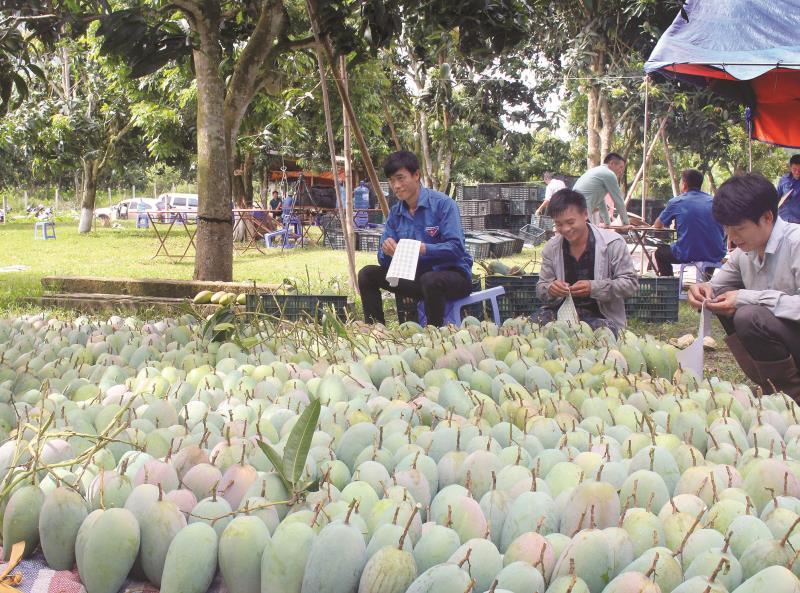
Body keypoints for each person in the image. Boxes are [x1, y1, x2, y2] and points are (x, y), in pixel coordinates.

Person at [688, 173, 800, 398]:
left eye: (738, 228)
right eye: (727, 228)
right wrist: (702, 290)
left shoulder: (796, 243)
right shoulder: (744, 252)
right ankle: (771, 385)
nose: (731, 236)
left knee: (748, 315)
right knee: (720, 299)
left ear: (767, 217)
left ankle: (792, 396)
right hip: (785, 341)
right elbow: (716, 286)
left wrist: (746, 298)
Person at [358, 151, 473, 327]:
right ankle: (377, 330)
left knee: (430, 280)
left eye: (400, 178)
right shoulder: (396, 213)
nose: (396, 186)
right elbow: (384, 260)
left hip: (454, 277)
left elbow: (456, 248)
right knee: (367, 274)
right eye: (391, 180)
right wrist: (387, 251)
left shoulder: (443, 204)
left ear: (416, 175)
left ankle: (434, 334)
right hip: (416, 278)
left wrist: (423, 249)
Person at [533, 189, 639, 335]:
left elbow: (631, 284)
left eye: (570, 222)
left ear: (585, 214)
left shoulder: (613, 244)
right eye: (559, 224)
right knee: (531, 328)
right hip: (561, 313)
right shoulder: (551, 248)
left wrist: (594, 288)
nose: (565, 229)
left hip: (601, 316)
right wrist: (551, 289)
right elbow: (541, 288)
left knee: (601, 336)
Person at [653, 168, 726, 279]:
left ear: (684, 184)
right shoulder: (714, 201)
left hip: (687, 252)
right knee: (709, 250)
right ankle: (706, 280)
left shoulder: (677, 202)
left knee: (660, 253)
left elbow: (657, 225)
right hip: (715, 253)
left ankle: (669, 286)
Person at [572, 153, 631, 226]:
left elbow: (601, 202)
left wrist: (607, 223)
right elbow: (618, 200)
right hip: (581, 211)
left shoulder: (597, 171)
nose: (621, 171)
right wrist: (626, 224)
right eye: (620, 167)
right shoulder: (609, 174)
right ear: (612, 163)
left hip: (572, 208)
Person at [777, 154, 800, 223]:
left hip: (797, 221)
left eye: (799, 170)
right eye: (794, 169)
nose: (797, 172)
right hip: (782, 219)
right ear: (790, 167)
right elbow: (776, 197)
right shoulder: (784, 179)